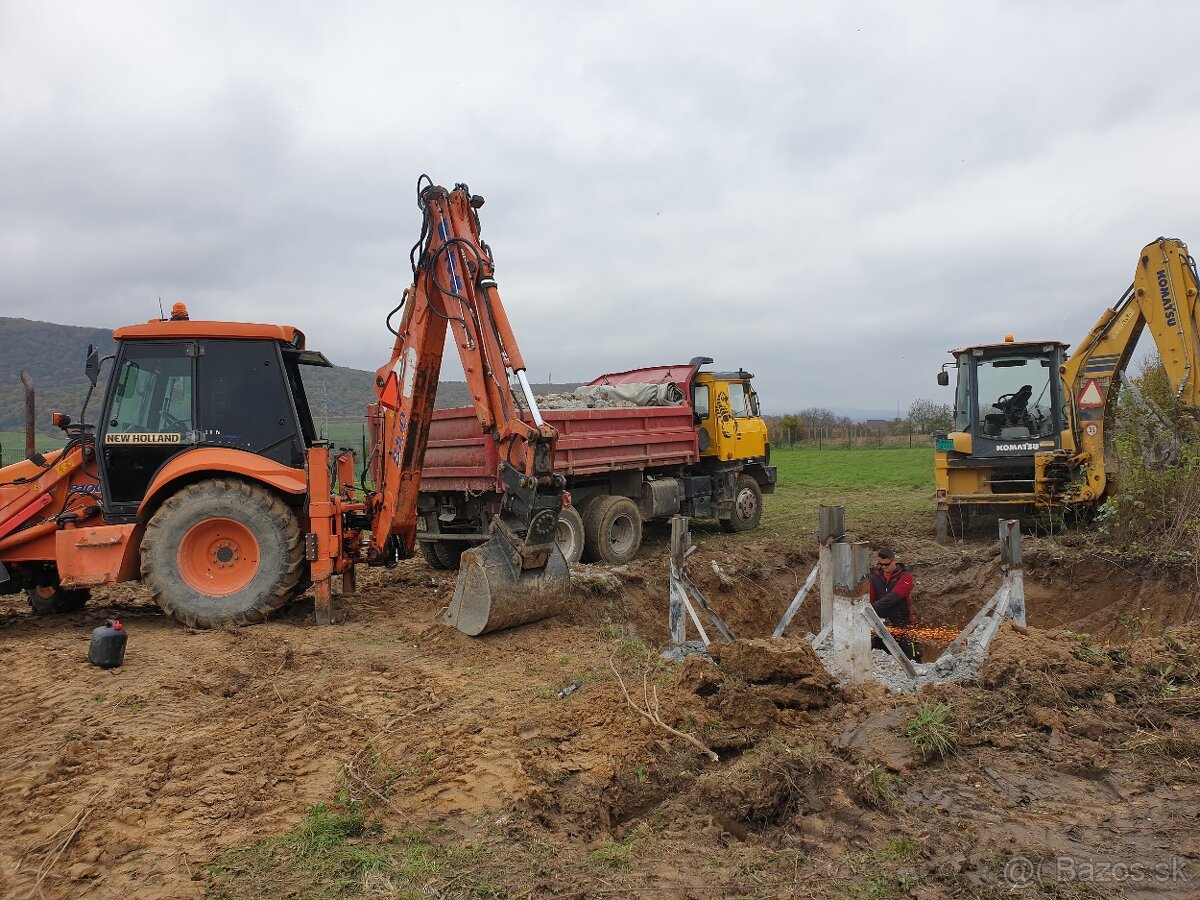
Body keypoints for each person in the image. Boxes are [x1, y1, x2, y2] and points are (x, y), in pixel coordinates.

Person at [869, 549, 920, 661]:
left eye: (886, 564)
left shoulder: (905, 577)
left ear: (894, 561)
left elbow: (895, 596)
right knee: (879, 657)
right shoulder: (874, 578)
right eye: (881, 564)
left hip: (903, 624)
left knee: (912, 657)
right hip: (881, 625)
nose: (883, 567)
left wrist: (872, 609)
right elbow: (871, 599)